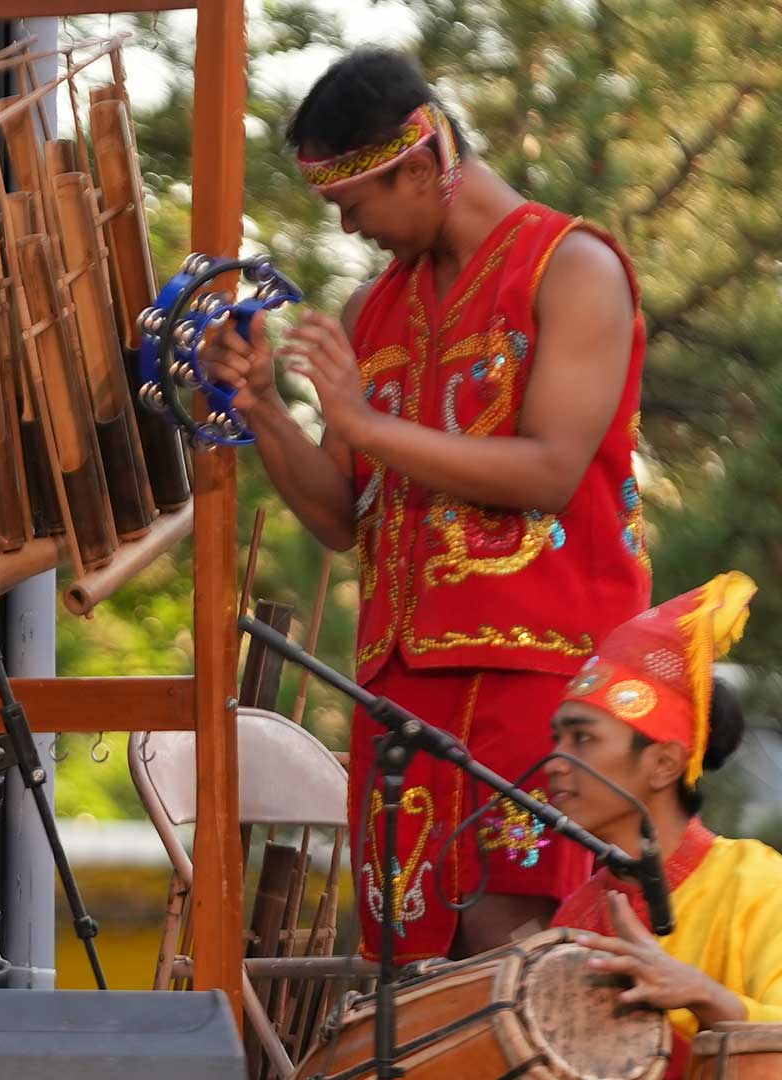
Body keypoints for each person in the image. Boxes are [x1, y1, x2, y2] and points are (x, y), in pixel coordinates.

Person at [204, 47, 651, 961]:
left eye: (353, 204)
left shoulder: (572, 268)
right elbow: (340, 516)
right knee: (408, 976)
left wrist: (363, 423)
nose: (351, 230)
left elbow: (550, 470)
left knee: (515, 964)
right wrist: (262, 411)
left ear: (418, 167)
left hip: (541, 675)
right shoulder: (376, 308)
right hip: (402, 694)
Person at [543, 571, 779, 1074]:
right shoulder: (577, 917)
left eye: (582, 739)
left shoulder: (756, 882)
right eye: (556, 739)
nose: (555, 762)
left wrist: (702, 995)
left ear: (665, 764)